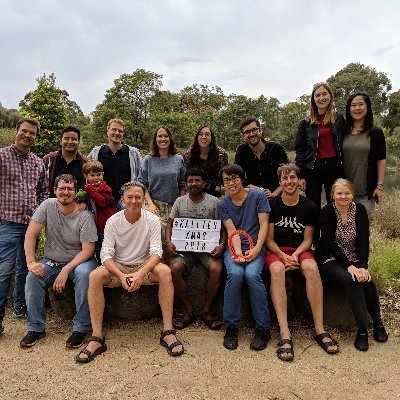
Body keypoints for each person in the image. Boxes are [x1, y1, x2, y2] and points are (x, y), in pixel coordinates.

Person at [75, 181, 184, 363]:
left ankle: (167, 331)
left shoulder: (151, 220)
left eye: (138, 197)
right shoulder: (113, 221)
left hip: (144, 265)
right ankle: (97, 337)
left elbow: (157, 252)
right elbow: (106, 255)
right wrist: (121, 275)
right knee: (94, 276)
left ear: (143, 199)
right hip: (120, 266)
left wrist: (141, 274)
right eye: (130, 197)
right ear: (123, 199)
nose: (134, 201)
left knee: (165, 271)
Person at [265, 163, 338, 361]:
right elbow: (268, 239)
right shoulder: (272, 205)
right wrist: (282, 255)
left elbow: (308, 240)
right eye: (284, 178)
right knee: (278, 270)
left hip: (299, 250)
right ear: (280, 182)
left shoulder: (310, 206)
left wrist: (295, 255)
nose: (289, 182)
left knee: (312, 267)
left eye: (292, 178)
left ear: (299, 180)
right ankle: (284, 332)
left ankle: (320, 329)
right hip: (277, 251)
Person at [20, 174, 98, 349]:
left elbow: (88, 250)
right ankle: (36, 328)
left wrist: (66, 270)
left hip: (80, 261)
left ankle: (81, 327)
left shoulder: (84, 215)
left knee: (85, 275)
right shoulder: (47, 206)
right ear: (55, 190)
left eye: (70, 189)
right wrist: (31, 263)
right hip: (53, 260)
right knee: (33, 277)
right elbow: (31, 234)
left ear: (76, 192)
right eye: (62, 188)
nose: (66, 192)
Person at [317, 178, 388, 351]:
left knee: (367, 280)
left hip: (355, 258)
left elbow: (364, 239)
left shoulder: (360, 210)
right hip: (330, 258)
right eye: (339, 193)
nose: (343, 196)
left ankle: (378, 323)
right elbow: (328, 242)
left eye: (347, 193)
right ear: (332, 195)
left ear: (352, 194)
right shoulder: (326, 211)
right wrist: (349, 265)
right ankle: (362, 330)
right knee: (352, 280)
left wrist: (363, 266)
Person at [0, 118, 49, 333]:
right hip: (7, 223)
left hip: (31, 225)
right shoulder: (1, 156)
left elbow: (44, 192)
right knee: (3, 271)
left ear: (35, 137)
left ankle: (20, 307)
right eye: (24, 131)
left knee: (25, 268)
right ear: (16, 131)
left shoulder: (38, 162)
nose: (27, 136)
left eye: (32, 133)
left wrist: (38, 216)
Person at [217, 164, 271, 351]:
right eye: (226, 180)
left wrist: (256, 250)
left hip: (256, 246)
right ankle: (231, 326)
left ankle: (263, 328)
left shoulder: (258, 196)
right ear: (223, 184)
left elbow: (264, 225)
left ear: (242, 178)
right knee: (235, 274)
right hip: (235, 247)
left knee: (252, 275)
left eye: (234, 178)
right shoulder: (222, 204)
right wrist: (237, 254)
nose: (231, 183)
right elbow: (232, 232)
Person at [165, 167, 226, 330]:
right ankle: (189, 310)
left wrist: (222, 245)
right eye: (190, 181)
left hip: (207, 249)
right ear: (186, 183)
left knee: (217, 268)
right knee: (174, 269)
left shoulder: (215, 201)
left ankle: (207, 310)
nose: (194, 184)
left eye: (197, 180)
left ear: (204, 183)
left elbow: (223, 227)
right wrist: (168, 242)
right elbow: (170, 224)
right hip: (186, 250)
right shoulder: (180, 201)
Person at [295, 82, 347, 211]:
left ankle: (331, 231)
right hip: (313, 168)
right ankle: (314, 232)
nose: (321, 98)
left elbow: (346, 141)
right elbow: (300, 150)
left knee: (334, 205)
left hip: (334, 166)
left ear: (330, 96)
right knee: (313, 207)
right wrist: (300, 175)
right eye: (317, 95)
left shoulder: (338, 119)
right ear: (313, 99)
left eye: (324, 94)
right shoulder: (306, 123)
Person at [343, 92, 386, 213]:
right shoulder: (343, 131)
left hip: (365, 192)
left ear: (367, 107)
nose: (357, 108)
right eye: (353, 105)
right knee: (343, 229)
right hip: (343, 192)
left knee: (363, 229)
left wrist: (379, 186)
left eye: (361, 104)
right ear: (349, 108)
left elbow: (381, 159)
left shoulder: (375, 132)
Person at [139, 126, 186, 236]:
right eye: (160, 136)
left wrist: (180, 203)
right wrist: (150, 205)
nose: (163, 139)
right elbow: (142, 184)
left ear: (170, 139)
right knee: (155, 233)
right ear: (155, 139)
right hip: (154, 204)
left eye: (166, 136)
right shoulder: (148, 159)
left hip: (173, 204)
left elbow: (182, 183)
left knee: (173, 237)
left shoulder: (178, 159)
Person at [88, 118, 141, 209]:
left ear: (123, 134)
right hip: (103, 201)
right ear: (107, 130)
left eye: (120, 131)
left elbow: (141, 176)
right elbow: (87, 172)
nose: (117, 133)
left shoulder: (133, 153)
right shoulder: (96, 152)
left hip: (126, 201)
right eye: (114, 129)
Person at [235, 116, 288, 200]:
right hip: (253, 196)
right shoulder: (242, 151)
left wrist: (274, 194)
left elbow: (287, 175)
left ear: (260, 130)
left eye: (254, 129)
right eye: (247, 132)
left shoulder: (276, 149)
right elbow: (238, 177)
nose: (252, 134)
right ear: (243, 135)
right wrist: (259, 191)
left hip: (279, 196)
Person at [83, 160, 117, 262]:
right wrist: (81, 201)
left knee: (106, 249)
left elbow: (102, 202)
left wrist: (90, 190)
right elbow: (85, 198)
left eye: (98, 174)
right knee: (97, 249)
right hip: (95, 225)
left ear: (103, 174)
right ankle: (98, 266)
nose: (96, 178)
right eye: (92, 175)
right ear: (86, 176)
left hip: (106, 226)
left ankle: (107, 267)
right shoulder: (89, 189)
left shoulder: (106, 189)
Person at [183, 124, 228, 197]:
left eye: (207, 134)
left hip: (215, 196)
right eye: (201, 134)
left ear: (211, 138)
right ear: (197, 137)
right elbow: (187, 179)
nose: (204, 137)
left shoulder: (221, 154)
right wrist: (214, 187)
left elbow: (223, 177)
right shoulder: (188, 156)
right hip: (194, 194)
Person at [43, 126, 88, 196]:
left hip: (77, 205)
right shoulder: (49, 160)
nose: (70, 142)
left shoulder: (86, 163)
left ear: (78, 143)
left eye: (73, 139)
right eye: (66, 138)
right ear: (60, 141)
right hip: (52, 204)